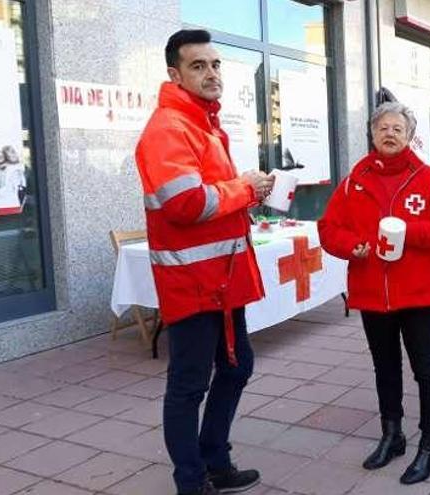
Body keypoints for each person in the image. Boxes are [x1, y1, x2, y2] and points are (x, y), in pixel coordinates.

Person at [135, 30, 274, 495]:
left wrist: (247, 196)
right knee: (188, 386)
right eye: (198, 66)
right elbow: (188, 204)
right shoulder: (168, 128)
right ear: (175, 74)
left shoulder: (204, 124)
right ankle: (191, 481)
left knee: (236, 368)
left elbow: (213, 202)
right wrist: (245, 189)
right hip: (193, 284)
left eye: (215, 64)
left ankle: (215, 460)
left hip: (222, 281)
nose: (211, 73)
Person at [318, 102, 430, 484]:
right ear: (372, 133)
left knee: (426, 368)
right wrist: (354, 245)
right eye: (382, 127)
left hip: (418, 292)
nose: (389, 133)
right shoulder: (354, 180)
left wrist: (409, 232)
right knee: (385, 367)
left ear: (409, 134)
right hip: (371, 292)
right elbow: (329, 229)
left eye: (397, 127)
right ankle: (392, 434)